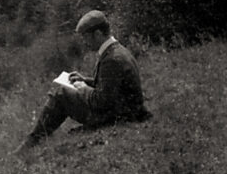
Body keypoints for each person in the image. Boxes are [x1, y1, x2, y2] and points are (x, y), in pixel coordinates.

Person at [14, 10, 149, 153]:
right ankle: (36, 138)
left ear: (97, 34)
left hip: (120, 116)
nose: (85, 42)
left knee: (61, 94)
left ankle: (32, 141)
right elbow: (111, 86)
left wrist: (82, 87)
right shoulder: (118, 51)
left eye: (86, 37)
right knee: (65, 92)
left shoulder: (111, 60)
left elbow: (101, 101)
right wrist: (86, 80)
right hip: (126, 110)